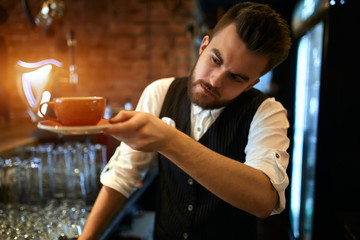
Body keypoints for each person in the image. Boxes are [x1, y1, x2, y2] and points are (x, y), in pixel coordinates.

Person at [80, 2, 291, 239]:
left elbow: (263, 200)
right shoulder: (159, 92)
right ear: (203, 46)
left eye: (235, 77)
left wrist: (169, 140)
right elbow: (121, 176)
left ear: (251, 84)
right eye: (216, 60)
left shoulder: (266, 113)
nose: (215, 80)